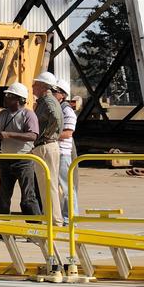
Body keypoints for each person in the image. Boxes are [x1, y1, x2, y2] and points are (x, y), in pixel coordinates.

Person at [0, 82, 41, 215]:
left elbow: (33, 135)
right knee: (3, 197)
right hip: (5, 160)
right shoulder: (2, 115)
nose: (5, 98)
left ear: (18, 99)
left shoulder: (28, 115)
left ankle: (35, 232)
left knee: (28, 198)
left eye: (9, 96)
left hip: (24, 160)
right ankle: (4, 232)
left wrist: (9, 134)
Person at [30, 71, 64, 224]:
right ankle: (52, 218)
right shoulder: (45, 101)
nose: (32, 87)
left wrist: (46, 134)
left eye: (35, 84)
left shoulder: (48, 101)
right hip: (47, 146)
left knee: (48, 185)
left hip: (46, 146)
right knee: (48, 185)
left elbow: (56, 117)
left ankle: (54, 221)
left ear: (43, 86)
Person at [55, 78, 78, 223]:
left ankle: (70, 217)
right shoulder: (58, 109)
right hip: (55, 152)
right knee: (58, 188)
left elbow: (68, 133)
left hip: (63, 154)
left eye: (55, 91)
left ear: (62, 95)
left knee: (67, 188)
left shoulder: (67, 111)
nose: (52, 93)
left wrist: (49, 136)